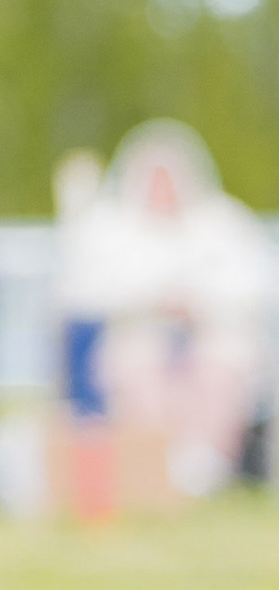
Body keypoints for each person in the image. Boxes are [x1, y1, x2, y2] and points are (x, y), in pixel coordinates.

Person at [55, 121, 277, 510]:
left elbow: (254, 284)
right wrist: (150, 301)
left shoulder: (222, 222)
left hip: (211, 335)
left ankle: (208, 467)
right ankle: (156, 468)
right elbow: (83, 291)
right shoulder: (112, 228)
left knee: (223, 363)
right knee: (135, 362)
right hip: (139, 336)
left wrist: (198, 303)